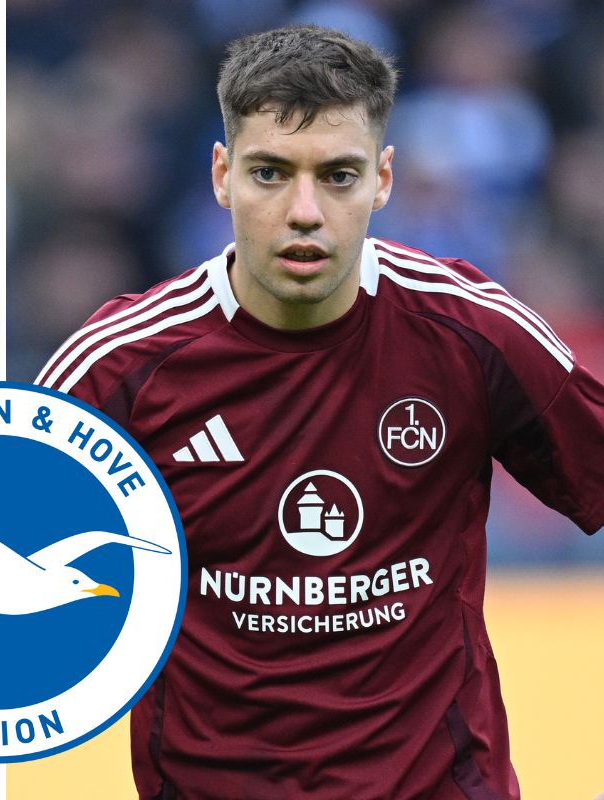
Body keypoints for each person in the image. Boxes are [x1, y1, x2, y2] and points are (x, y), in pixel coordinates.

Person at [38, 24, 604, 800]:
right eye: (270, 173)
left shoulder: (470, 329)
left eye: (337, 176)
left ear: (382, 179)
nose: (304, 211)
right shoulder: (117, 367)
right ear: (220, 174)